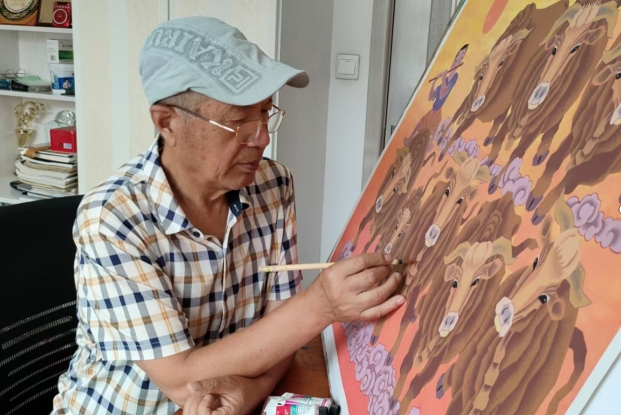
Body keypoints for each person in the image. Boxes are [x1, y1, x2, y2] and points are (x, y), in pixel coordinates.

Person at [52, 16, 405, 415]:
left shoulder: (274, 185)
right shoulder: (114, 219)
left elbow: (284, 331)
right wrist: (321, 304)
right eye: (239, 123)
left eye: (265, 112)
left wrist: (253, 392)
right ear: (167, 122)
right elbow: (182, 380)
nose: (262, 137)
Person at [410, 44, 468, 140]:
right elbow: (430, 98)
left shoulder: (455, 77)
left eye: (461, 58)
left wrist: (444, 78)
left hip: (437, 112)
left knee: (431, 135)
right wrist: (435, 81)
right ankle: (410, 139)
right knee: (420, 123)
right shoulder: (442, 84)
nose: (457, 61)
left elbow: (442, 94)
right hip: (433, 110)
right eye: (457, 57)